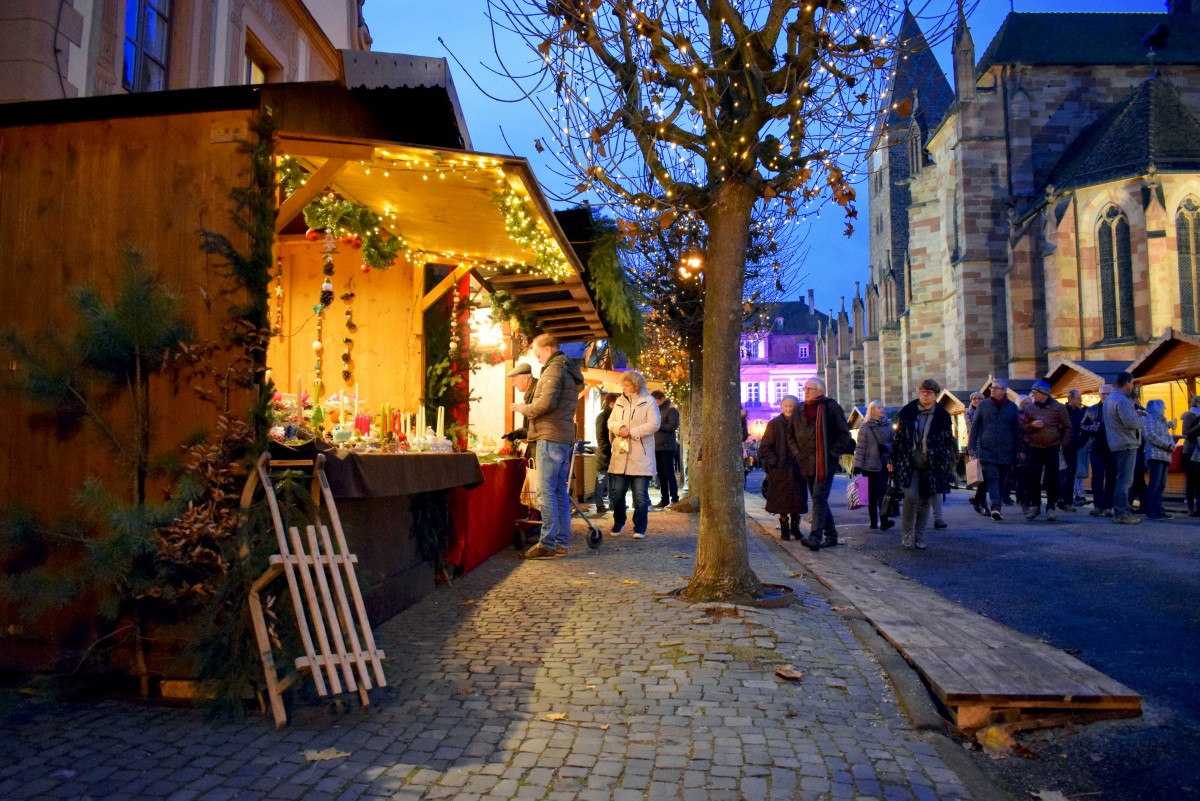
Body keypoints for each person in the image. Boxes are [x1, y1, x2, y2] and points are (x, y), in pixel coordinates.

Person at [510, 334, 584, 559]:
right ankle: (561, 542)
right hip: (562, 437)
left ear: (548, 349)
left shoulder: (554, 370)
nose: (537, 358)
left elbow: (546, 403)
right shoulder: (568, 370)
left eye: (538, 352)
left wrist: (524, 409)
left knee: (546, 491)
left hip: (549, 436)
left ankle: (547, 543)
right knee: (560, 490)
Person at [787, 377, 855, 551]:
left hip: (824, 463)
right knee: (820, 499)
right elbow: (791, 435)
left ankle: (815, 537)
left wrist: (831, 454)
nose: (806, 391)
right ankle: (831, 535)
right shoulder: (800, 409)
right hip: (806, 462)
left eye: (811, 388)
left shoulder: (830, 407)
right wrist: (797, 453)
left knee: (818, 498)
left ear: (820, 391)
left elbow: (844, 434)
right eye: (805, 388)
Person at [893, 379, 956, 548]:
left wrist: (947, 463)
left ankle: (919, 537)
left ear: (936, 395)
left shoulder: (942, 416)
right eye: (922, 392)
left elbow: (948, 441)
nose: (925, 395)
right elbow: (898, 438)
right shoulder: (908, 411)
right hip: (909, 462)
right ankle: (907, 534)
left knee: (925, 501)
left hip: (932, 464)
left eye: (929, 393)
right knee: (911, 497)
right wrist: (893, 460)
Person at [607, 370, 661, 539]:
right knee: (617, 493)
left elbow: (654, 424)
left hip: (640, 455)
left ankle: (640, 527)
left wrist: (633, 432)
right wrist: (619, 428)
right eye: (623, 384)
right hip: (621, 454)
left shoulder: (648, 401)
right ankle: (619, 522)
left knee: (640, 495)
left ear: (636, 385)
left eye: (627, 385)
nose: (624, 388)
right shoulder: (619, 402)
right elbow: (611, 422)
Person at [967, 379, 1021, 521]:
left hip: (1006, 450)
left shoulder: (1012, 408)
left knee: (1002, 480)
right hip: (987, 449)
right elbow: (975, 427)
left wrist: (1019, 449)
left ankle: (997, 505)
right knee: (992, 478)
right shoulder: (983, 405)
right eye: (992, 388)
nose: (993, 390)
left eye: (996, 388)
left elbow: (1017, 430)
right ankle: (995, 507)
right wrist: (971, 447)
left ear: (1004, 391)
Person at [1020, 380, 1073, 522]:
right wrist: (1031, 425)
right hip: (1034, 447)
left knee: (1052, 478)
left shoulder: (1058, 407)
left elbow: (1068, 427)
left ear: (1043, 393)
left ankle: (1051, 507)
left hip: (1052, 446)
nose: (1033, 395)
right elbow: (1023, 427)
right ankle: (1035, 505)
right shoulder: (1030, 408)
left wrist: (1063, 444)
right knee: (1033, 477)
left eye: (1035, 393)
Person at [759, 395, 809, 540]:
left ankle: (795, 526)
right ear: (782, 407)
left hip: (797, 468)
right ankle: (784, 527)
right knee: (782, 502)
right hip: (779, 469)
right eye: (786, 406)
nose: (788, 409)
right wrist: (773, 461)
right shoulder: (774, 424)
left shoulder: (801, 424)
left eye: (791, 406)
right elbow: (765, 446)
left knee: (797, 500)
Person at [1104, 372, 1146, 526]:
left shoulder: (1110, 398)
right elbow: (1130, 422)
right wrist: (1143, 419)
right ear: (1126, 383)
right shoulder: (1121, 399)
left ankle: (1122, 511)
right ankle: (1122, 513)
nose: (1133, 386)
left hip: (1116, 442)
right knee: (1125, 480)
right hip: (1126, 442)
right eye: (1132, 383)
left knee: (1121, 479)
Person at [854, 400, 895, 531]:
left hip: (883, 464)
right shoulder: (865, 427)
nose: (882, 409)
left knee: (883, 494)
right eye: (878, 407)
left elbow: (895, 443)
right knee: (871, 495)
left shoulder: (888, 425)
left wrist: (886, 447)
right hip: (868, 466)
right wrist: (857, 465)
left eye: (882, 407)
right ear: (872, 410)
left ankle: (884, 521)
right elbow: (860, 447)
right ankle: (873, 521)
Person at [1084, 385, 1115, 516]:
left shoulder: (1115, 408)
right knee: (1097, 475)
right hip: (1096, 446)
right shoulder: (1092, 409)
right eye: (1103, 394)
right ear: (1099, 395)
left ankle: (1109, 505)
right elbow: (1082, 425)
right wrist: (1091, 427)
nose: (1105, 396)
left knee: (1111, 476)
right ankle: (1098, 505)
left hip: (1113, 446)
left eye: (1108, 394)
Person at [1141, 399, 1174, 521]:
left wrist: (1171, 444)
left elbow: (1167, 435)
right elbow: (1150, 435)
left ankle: (1158, 508)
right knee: (1154, 483)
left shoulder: (1163, 421)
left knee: (1161, 484)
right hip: (1154, 455)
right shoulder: (1150, 418)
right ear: (1157, 407)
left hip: (1165, 456)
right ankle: (1151, 509)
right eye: (1163, 406)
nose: (1165, 409)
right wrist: (1167, 445)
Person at [651, 390, 680, 507]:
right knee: (661, 474)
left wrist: (658, 426)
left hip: (667, 447)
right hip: (657, 446)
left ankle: (674, 498)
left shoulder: (671, 409)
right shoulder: (656, 410)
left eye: (656, 400)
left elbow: (673, 426)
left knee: (668, 473)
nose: (655, 403)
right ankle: (664, 499)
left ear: (662, 399)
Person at [1061, 390, 1089, 508]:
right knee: (1060, 474)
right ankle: (1060, 498)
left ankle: (1068, 501)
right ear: (1071, 399)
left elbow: (1085, 430)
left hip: (1073, 448)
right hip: (1060, 448)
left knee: (1071, 474)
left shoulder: (1082, 413)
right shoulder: (1062, 412)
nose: (1081, 400)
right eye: (1078, 398)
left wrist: (1078, 444)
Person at [501, 362, 538, 445]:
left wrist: (523, 409)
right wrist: (518, 434)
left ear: (525, 378)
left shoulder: (537, 391)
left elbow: (540, 423)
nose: (513, 384)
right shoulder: (532, 392)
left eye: (514, 380)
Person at [965, 392, 989, 515]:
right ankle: (982, 502)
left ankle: (977, 499)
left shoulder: (987, 410)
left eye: (980, 398)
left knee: (985, 476)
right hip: (976, 447)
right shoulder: (969, 413)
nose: (977, 400)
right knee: (981, 476)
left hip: (987, 446)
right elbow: (975, 427)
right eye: (974, 398)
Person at [592, 393, 616, 515]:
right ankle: (599, 504)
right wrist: (607, 449)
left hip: (610, 452)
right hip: (605, 453)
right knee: (602, 479)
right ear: (612, 404)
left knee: (612, 479)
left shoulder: (609, 416)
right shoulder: (603, 416)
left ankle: (612, 503)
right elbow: (600, 436)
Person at [1182, 395, 1200, 516]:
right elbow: (1185, 433)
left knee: (1198, 480)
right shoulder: (1189, 415)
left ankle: (1198, 506)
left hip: (1198, 450)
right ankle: (1190, 506)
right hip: (1190, 450)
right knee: (1191, 479)